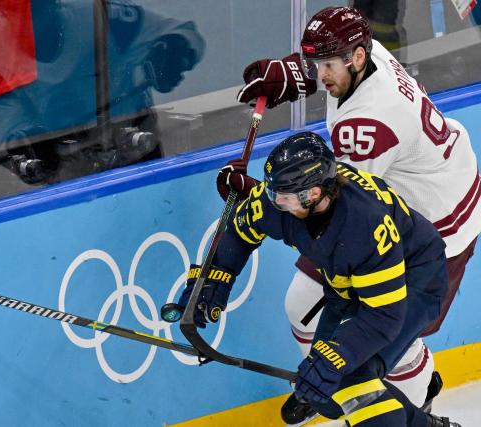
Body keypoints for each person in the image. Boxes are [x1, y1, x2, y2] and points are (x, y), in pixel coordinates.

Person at [220, 6, 480, 424]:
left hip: (432, 226)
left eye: (326, 66)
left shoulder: (367, 126)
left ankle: (416, 396)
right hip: (406, 194)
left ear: (356, 59)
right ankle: (325, 384)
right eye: (316, 64)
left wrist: (262, 196)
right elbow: (333, 70)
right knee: (301, 303)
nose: (320, 74)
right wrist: (294, 74)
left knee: (384, 343)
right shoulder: (366, 51)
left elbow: (335, 207)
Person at [175, 131, 461, 427]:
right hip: (348, 286)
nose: (276, 202)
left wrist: (339, 356)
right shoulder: (283, 202)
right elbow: (240, 230)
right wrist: (215, 281)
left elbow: (383, 315)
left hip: (412, 277)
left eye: (284, 197)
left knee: (351, 375)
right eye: (275, 193)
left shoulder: (364, 224)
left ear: (314, 194)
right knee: (325, 395)